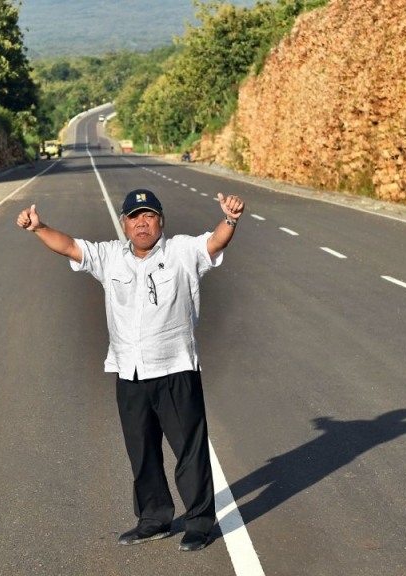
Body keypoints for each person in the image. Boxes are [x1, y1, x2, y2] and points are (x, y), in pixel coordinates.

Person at [15, 188, 245, 552]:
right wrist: (39, 227)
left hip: (175, 370)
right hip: (129, 372)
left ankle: (200, 523)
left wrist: (230, 218)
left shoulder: (182, 252)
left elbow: (215, 242)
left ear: (161, 221)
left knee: (190, 450)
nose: (142, 223)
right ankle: (153, 519)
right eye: (135, 216)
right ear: (124, 223)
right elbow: (70, 247)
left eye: (149, 215)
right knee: (142, 451)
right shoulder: (110, 257)